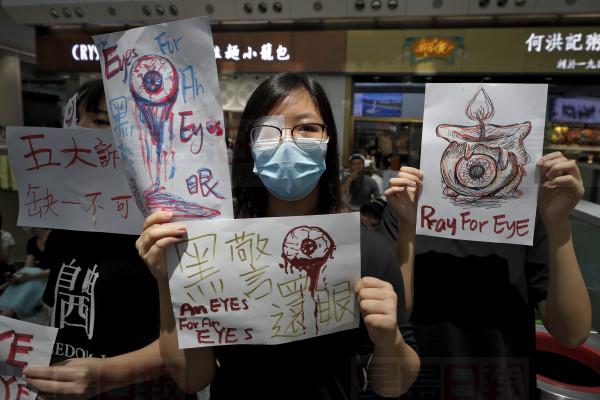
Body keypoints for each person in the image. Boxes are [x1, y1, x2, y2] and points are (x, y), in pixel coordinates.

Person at [136, 73, 420, 399]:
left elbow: (393, 384)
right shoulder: (215, 248)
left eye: (307, 128)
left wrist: (390, 340)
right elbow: (192, 378)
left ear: (328, 141)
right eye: (269, 131)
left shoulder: (366, 248)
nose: (288, 142)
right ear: (250, 146)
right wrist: (168, 281)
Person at [23, 80, 192, 400]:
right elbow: (58, 313)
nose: (85, 133)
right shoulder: (66, 222)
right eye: (76, 121)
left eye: (102, 123)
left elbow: (195, 335)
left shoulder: (167, 225)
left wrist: (108, 373)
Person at [381, 159, 592, 400]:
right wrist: (408, 226)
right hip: (420, 386)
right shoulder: (405, 204)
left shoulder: (528, 213)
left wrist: (559, 224)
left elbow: (572, 333)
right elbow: (396, 316)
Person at [0, 227, 50, 319]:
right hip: (34, 276)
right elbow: (28, 268)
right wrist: (16, 277)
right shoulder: (32, 241)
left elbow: (57, 269)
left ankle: (11, 311)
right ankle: (4, 310)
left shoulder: (58, 240)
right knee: (20, 282)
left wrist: (31, 276)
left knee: (32, 283)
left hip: (48, 278)